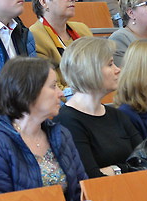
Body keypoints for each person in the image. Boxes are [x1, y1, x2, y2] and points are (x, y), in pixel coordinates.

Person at [0, 56, 86, 201]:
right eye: (53, 86)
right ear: (28, 90)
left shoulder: (60, 134)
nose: (61, 93)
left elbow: (80, 193)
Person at [56, 37, 140, 178]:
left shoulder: (117, 115)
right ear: (89, 70)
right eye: (110, 64)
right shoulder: (67, 121)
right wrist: (124, 168)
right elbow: (90, 177)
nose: (118, 69)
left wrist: (114, 170)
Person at [28, 0, 93, 82]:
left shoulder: (83, 29)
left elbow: (98, 70)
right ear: (43, 1)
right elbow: (51, 85)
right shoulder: (35, 36)